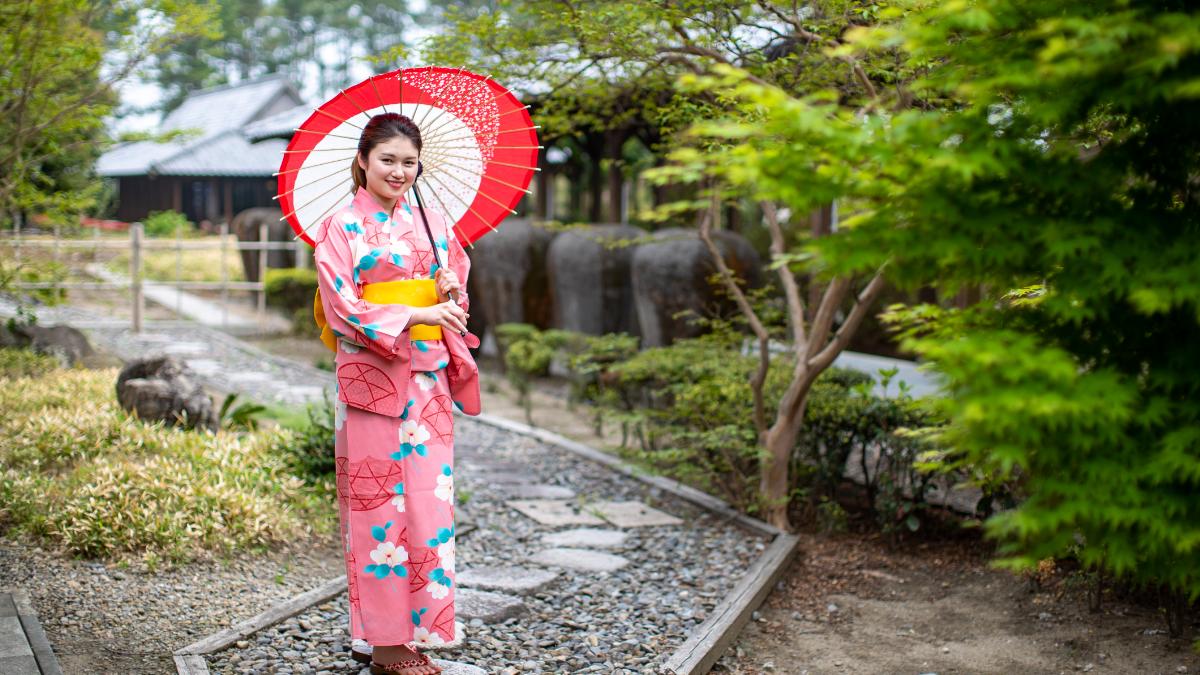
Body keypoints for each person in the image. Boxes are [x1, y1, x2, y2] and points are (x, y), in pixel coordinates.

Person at [312, 112, 481, 675]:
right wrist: (417, 310)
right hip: (372, 382)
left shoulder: (432, 221)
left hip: (427, 382)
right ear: (363, 160)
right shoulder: (340, 227)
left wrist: (451, 289)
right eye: (388, 159)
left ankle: (415, 632)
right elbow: (345, 308)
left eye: (410, 162)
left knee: (429, 507)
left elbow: (452, 284)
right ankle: (385, 645)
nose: (399, 171)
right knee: (378, 511)